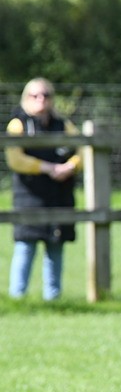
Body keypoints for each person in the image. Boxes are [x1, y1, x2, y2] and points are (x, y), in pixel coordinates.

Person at [5, 78, 82, 300]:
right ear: (25, 98)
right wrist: (46, 168)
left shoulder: (63, 125)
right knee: (26, 247)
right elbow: (15, 159)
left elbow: (84, 149)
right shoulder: (18, 124)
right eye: (35, 95)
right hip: (29, 196)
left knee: (55, 247)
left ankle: (53, 298)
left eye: (46, 95)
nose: (41, 100)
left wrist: (70, 166)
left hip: (59, 194)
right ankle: (17, 297)